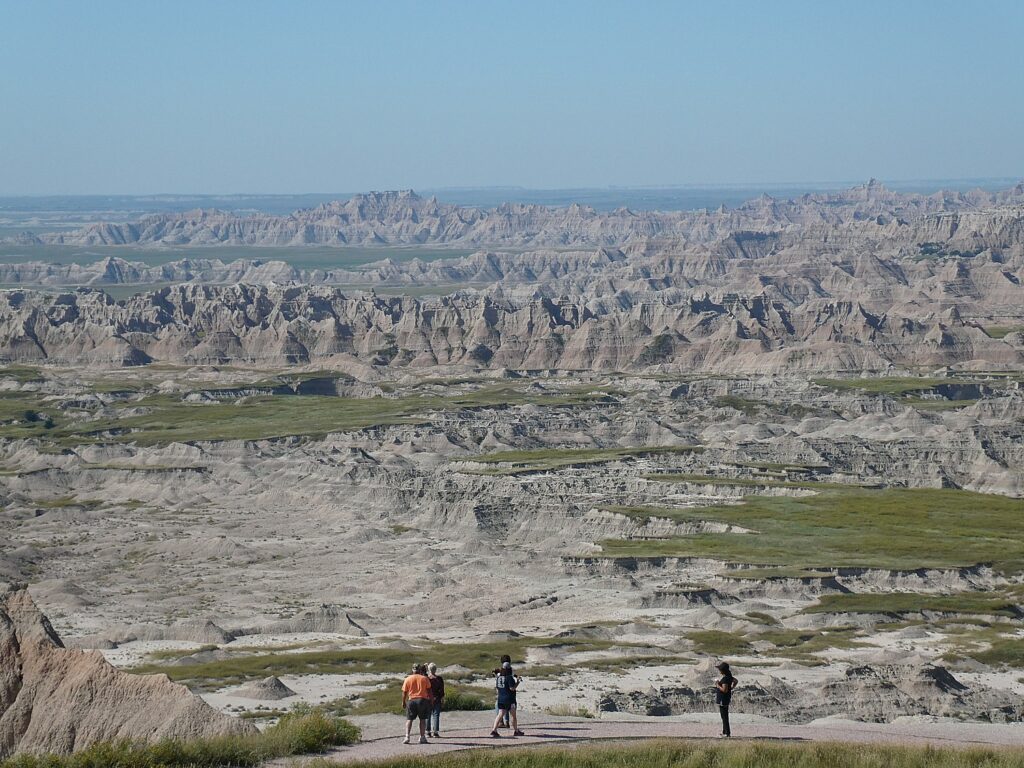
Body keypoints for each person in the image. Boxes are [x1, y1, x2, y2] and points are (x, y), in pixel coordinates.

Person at [490, 659, 524, 737]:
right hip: (510, 699)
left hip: (501, 699)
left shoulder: (499, 678)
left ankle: (494, 730)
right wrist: (518, 682)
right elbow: (512, 688)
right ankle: (516, 731)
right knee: (513, 716)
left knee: (500, 714)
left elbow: (497, 688)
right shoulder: (509, 678)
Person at [401, 663, 433, 745]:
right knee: (422, 719)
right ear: (420, 670)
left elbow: (404, 692)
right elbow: (429, 691)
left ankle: (407, 736)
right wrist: (431, 701)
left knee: (409, 719)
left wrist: (403, 702)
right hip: (422, 700)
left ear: (412, 669)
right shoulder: (424, 678)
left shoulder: (407, 679)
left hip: (411, 700)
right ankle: (422, 737)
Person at [715, 661, 736, 738]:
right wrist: (732, 687)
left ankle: (726, 733)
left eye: (720, 669)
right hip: (726, 699)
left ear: (722, 670)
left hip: (723, 700)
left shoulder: (725, 679)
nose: (719, 670)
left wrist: (717, 685)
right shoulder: (729, 677)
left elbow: (724, 690)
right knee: (725, 716)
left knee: (724, 717)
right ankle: (725, 732)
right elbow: (736, 681)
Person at [427, 662, 445, 738]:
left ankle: (428, 731)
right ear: (435, 669)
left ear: (429, 669)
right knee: (436, 715)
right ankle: (435, 732)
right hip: (437, 698)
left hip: (428, 698)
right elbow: (442, 690)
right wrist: (442, 698)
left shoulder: (427, 678)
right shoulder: (439, 679)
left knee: (428, 715)